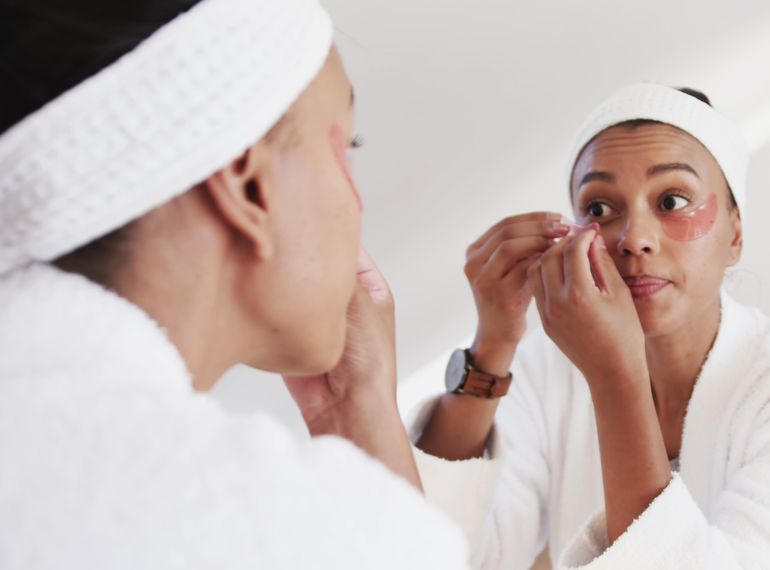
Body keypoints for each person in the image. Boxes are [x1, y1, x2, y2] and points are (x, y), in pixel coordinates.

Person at [0, 1, 468, 568]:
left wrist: (354, 406)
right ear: (249, 188)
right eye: (349, 147)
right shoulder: (298, 532)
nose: (356, 200)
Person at [413, 84, 770, 569]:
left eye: (673, 201)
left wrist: (616, 376)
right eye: (598, 209)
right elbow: (442, 554)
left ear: (735, 236)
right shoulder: (547, 367)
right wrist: (493, 343)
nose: (633, 239)